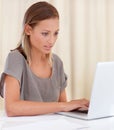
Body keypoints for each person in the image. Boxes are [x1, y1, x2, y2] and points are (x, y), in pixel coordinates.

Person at [0, 1, 89, 117]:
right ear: (28, 30)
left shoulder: (57, 63)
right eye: (45, 34)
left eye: (55, 33)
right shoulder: (16, 59)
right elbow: (11, 108)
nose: (51, 41)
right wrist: (64, 106)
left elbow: (63, 110)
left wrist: (78, 107)